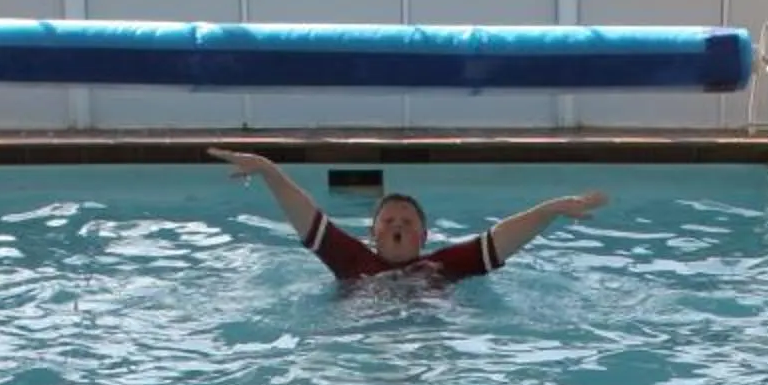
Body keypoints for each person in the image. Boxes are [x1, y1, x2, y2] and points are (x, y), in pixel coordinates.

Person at [216, 151, 607, 282]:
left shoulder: (445, 265)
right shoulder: (351, 260)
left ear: (424, 236)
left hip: (425, 344)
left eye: (407, 222)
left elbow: (502, 239)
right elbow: (306, 215)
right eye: (389, 222)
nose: (398, 225)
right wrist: (268, 169)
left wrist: (551, 210)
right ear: (373, 235)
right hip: (360, 339)